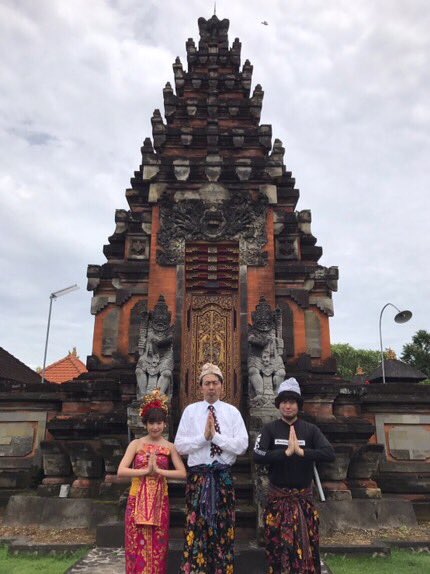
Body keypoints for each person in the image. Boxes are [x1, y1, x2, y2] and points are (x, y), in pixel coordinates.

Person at [253, 378, 335, 574]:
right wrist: (285, 453)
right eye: (283, 402)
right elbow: (257, 455)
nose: (287, 406)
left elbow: (329, 453)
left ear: (298, 405)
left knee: (306, 548)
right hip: (278, 500)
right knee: (277, 548)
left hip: (303, 500)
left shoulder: (310, 430)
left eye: (291, 402)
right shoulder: (269, 429)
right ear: (278, 405)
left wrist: (302, 452)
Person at [174, 363, 249, 573]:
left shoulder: (232, 412)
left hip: (222, 476)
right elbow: (180, 446)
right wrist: (203, 438)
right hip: (198, 478)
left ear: (222, 386)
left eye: (215, 383)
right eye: (206, 383)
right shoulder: (190, 411)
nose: (211, 387)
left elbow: (242, 445)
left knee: (223, 528)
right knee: (196, 528)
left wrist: (216, 437)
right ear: (200, 387)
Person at [117, 389, 186, 574]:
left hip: (159, 501)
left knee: (158, 546)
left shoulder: (170, 447)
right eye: (151, 423)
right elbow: (121, 471)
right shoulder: (136, 444)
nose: (155, 427)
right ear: (145, 424)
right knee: (134, 546)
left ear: (165, 424)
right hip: (136, 500)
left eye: (159, 423)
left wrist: (160, 471)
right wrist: (145, 471)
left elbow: (182, 473)